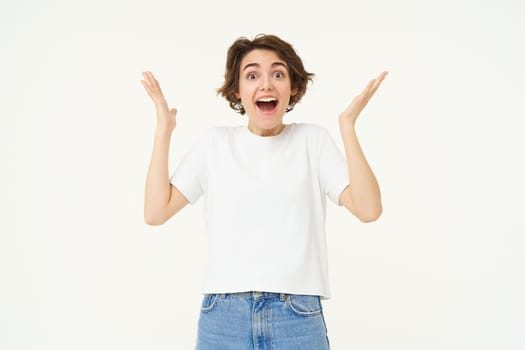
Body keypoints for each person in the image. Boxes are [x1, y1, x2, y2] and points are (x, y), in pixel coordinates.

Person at [141, 34, 387, 350]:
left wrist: (347, 126)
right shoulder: (214, 144)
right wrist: (164, 130)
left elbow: (369, 209)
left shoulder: (313, 141)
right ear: (237, 89)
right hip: (224, 316)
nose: (266, 84)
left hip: (296, 316)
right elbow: (155, 211)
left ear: (293, 87)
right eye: (252, 75)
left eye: (278, 74)